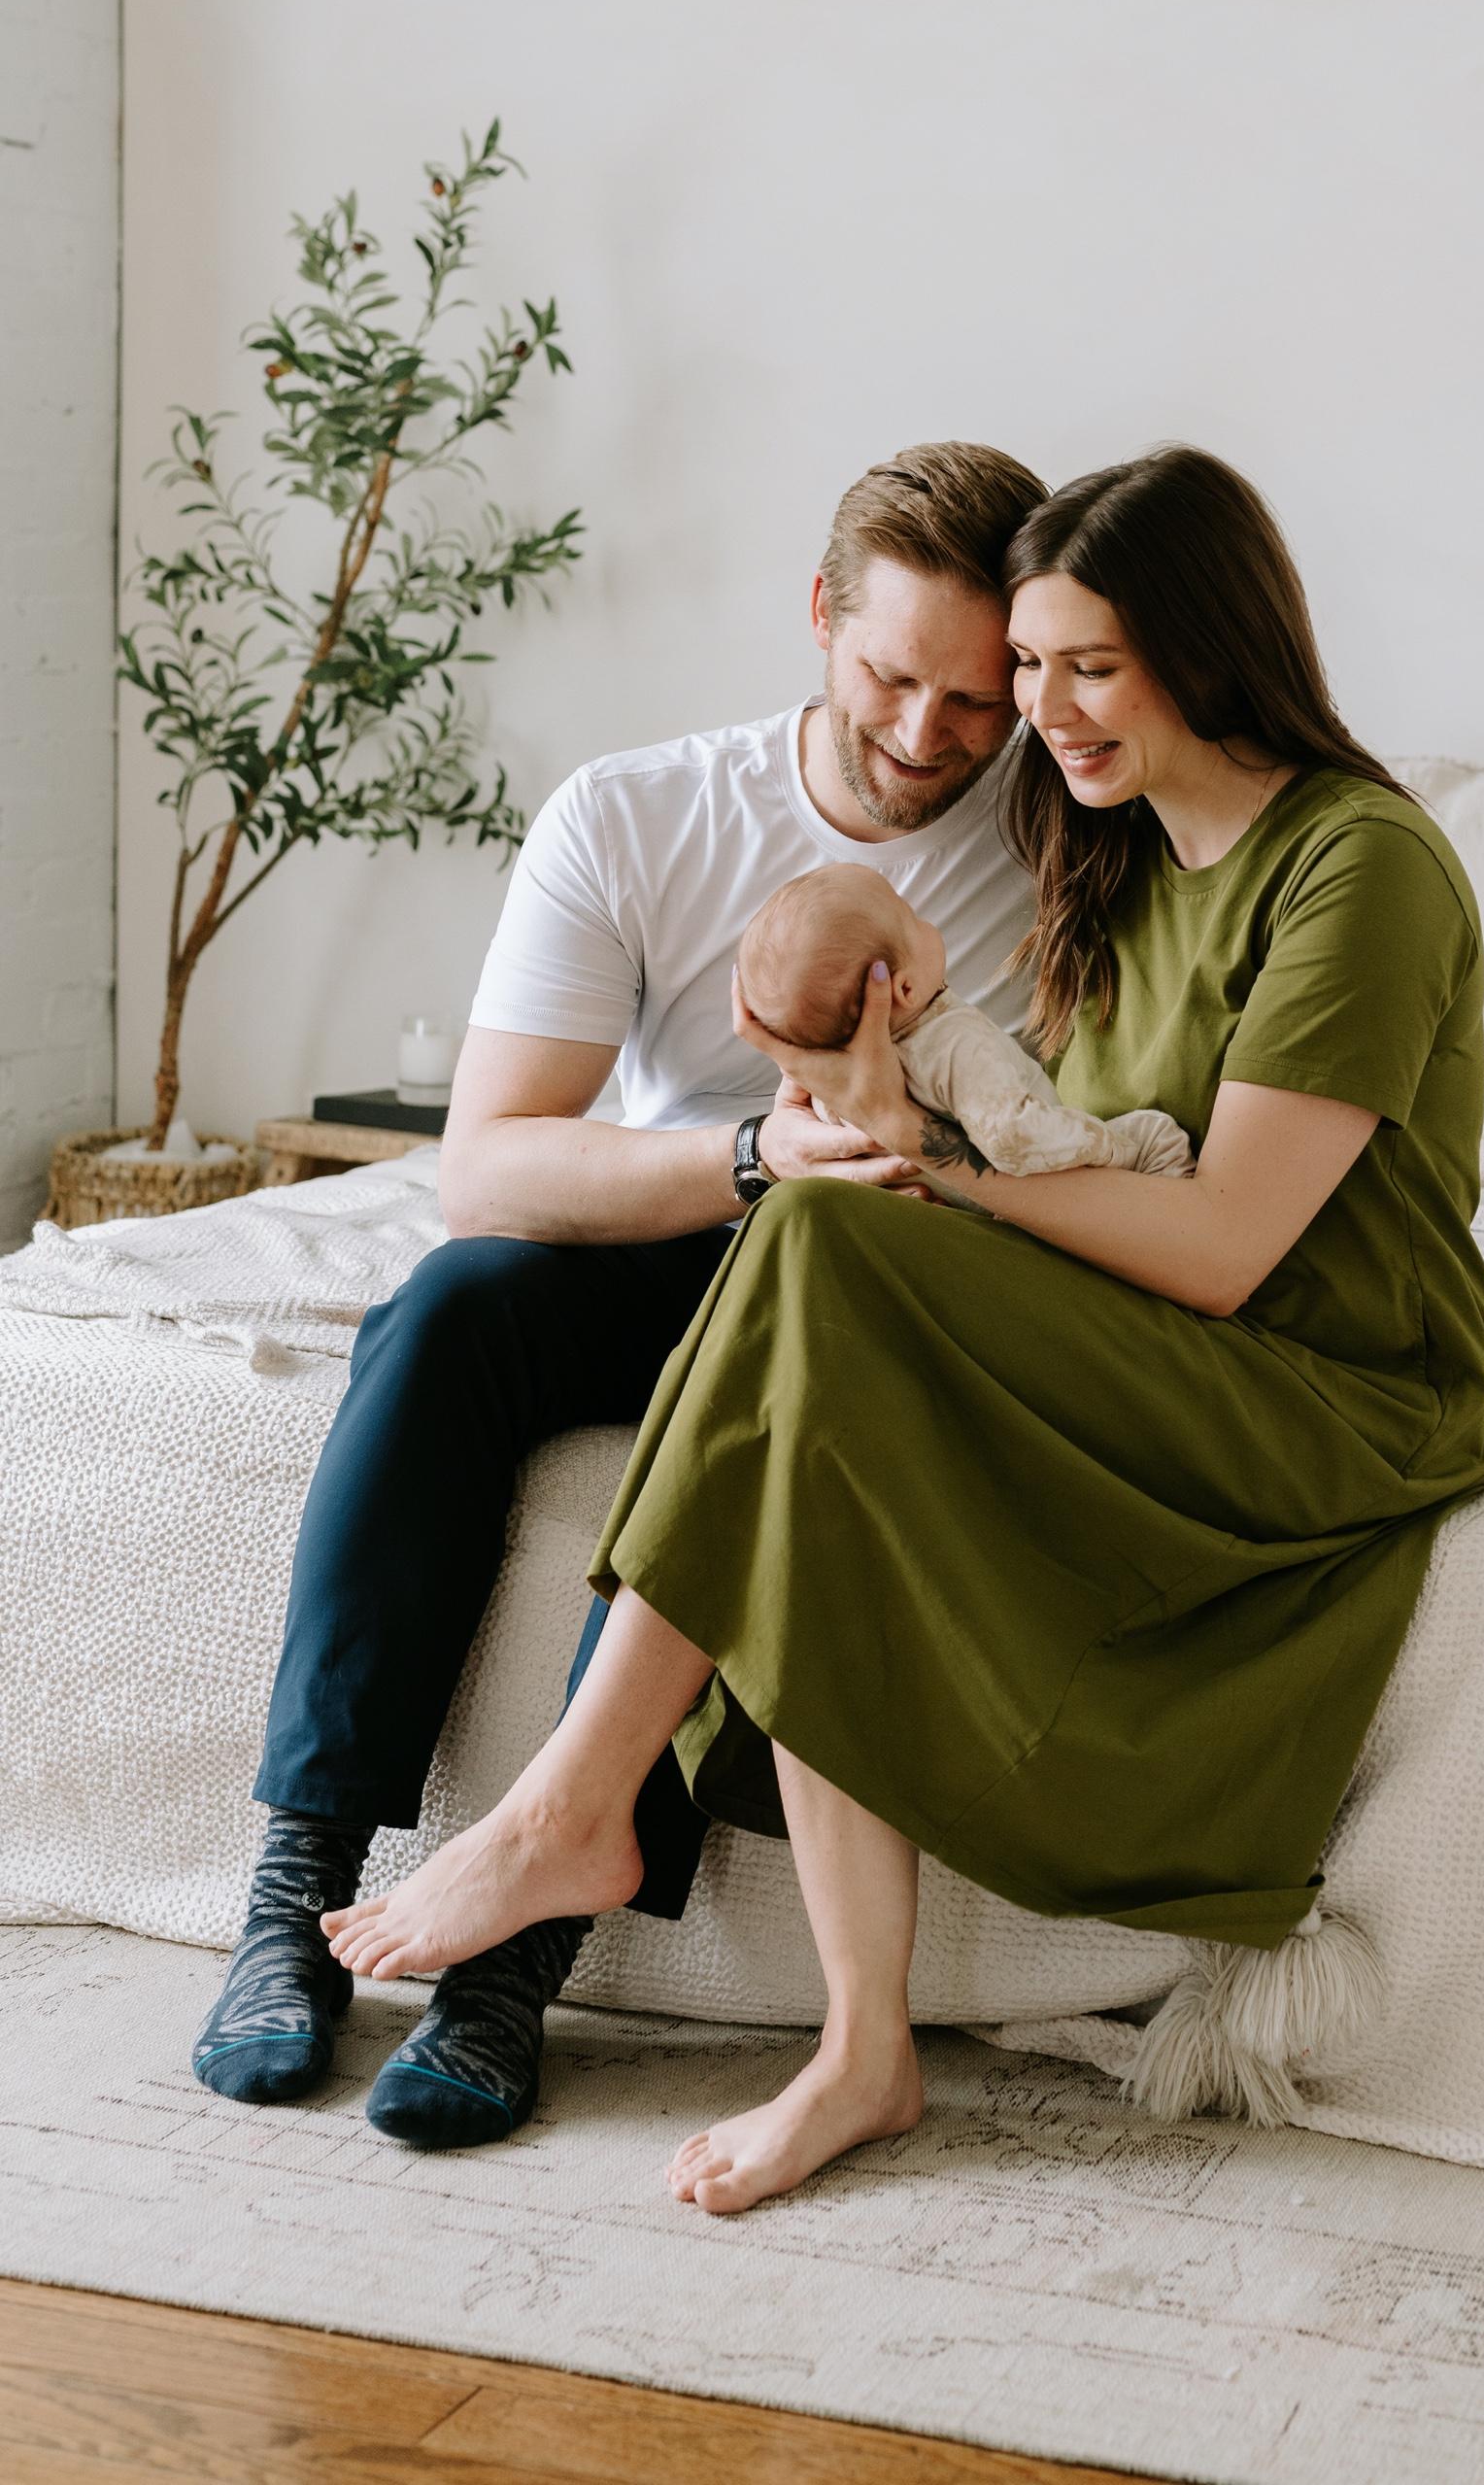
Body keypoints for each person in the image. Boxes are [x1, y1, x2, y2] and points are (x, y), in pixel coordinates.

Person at [322, 444, 1484, 2214]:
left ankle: (574, 1803)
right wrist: (888, 1122)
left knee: (836, 1246)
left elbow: (1222, 1245)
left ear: (1208, 648)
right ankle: (858, 2046)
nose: (1040, 712)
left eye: (1081, 667)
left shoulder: (1360, 867)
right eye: (1028, 670)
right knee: (825, 1340)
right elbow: (1033, 1135)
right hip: (1139, 1329)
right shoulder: (1102, 860)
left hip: (1325, 1381)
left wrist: (922, 1183)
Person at [188, 439, 1049, 2146]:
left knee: (757, 1389)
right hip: (669, 1225)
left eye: (975, 701)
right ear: (817, 617)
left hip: (868, 1295)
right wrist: (752, 1163)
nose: (925, 738)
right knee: (442, 1308)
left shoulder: (1066, 846)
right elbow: (490, 1166)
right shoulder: (641, 813)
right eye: (891, 676)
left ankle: (520, 1963)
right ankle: (294, 1895)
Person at [735, 863, 1193, 1174]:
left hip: (964, 1204)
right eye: (910, 916)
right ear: (904, 988)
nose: (924, 919)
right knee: (1157, 1136)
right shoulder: (952, 1044)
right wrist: (1104, 1144)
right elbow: (1013, 1138)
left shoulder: (835, 1087)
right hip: (1048, 1181)